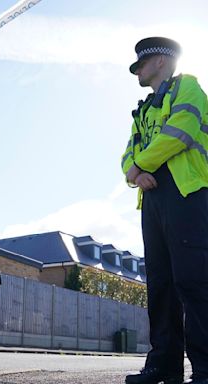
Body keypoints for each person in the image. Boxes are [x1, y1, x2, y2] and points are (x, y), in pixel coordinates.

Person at [121, 37, 208, 384]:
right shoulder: (142, 110)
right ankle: (163, 365)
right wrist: (136, 173)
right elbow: (127, 153)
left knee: (193, 280)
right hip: (152, 200)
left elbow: (180, 133)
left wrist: (139, 167)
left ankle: (204, 368)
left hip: (186, 193)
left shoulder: (188, 87)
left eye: (140, 65)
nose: (137, 72)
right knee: (160, 285)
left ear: (159, 61)